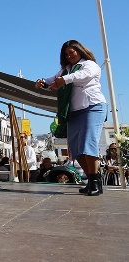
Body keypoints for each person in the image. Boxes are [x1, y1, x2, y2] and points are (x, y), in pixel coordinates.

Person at [36, 40, 108, 196]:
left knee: (88, 143)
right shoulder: (66, 70)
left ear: (79, 50)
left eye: (71, 52)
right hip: (74, 112)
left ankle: (95, 181)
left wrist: (65, 80)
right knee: (76, 150)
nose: (69, 56)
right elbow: (52, 80)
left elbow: (84, 76)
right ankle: (91, 180)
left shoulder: (89, 65)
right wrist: (42, 82)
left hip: (93, 107)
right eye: (66, 54)